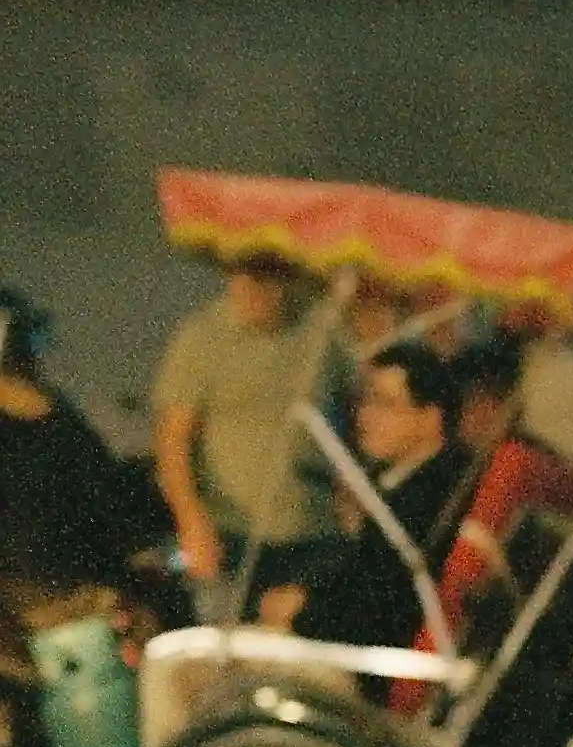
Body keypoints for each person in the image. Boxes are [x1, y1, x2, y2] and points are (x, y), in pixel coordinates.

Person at [150, 253, 346, 601]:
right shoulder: (202, 338)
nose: (252, 288)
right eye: (243, 274)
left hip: (313, 531)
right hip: (232, 533)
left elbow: (353, 414)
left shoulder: (322, 332)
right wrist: (191, 521)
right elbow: (172, 439)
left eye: (267, 276)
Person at [255, 341, 475, 651]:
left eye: (384, 404)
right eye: (364, 402)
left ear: (430, 418)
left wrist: (302, 613)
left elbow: (385, 615)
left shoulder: (428, 499)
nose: (365, 417)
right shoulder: (416, 480)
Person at [429, 331, 573, 648]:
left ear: (498, 404)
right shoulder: (461, 466)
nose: (461, 422)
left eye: (472, 405)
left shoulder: (526, 470)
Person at [0, 287, 145, 600]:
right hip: (63, 591)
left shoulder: (62, 423)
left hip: (54, 593)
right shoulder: (64, 421)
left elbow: (106, 500)